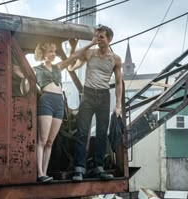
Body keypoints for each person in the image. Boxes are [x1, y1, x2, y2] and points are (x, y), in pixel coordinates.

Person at [68, 25, 122, 181]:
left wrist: (118, 105)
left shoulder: (115, 59)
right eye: (96, 37)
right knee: (82, 131)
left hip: (104, 97)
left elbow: (119, 83)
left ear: (109, 39)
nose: (98, 40)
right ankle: (79, 168)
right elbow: (72, 64)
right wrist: (89, 44)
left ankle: (99, 168)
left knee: (101, 133)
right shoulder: (90, 53)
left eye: (101, 37)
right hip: (88, 94)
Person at [33, 39, 79, 183]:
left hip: (59, 102)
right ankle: (39, 173)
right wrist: (40, 92)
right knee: (42, 140)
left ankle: (44, 173)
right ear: (43, 54)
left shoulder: (57, 67)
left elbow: (72, 58)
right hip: (46, 101)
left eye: (54, 51)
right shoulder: (36, 69)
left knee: (50, 142)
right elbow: (28, 81)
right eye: (50, 52)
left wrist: (77, 46)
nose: (53, 54)